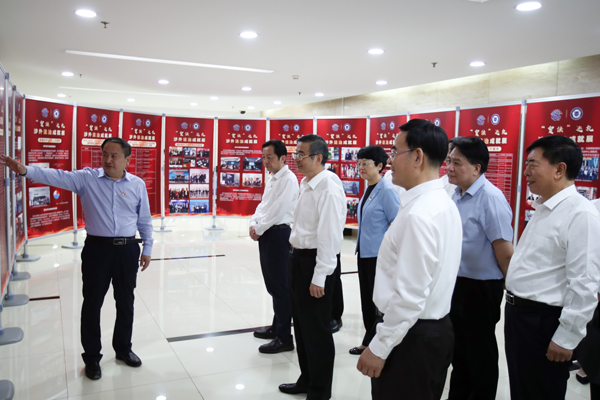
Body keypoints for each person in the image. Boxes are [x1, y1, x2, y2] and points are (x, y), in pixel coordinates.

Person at [0, 137, 154, 381]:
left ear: (127, 159)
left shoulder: (137, 184)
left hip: (127, 250)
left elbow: (144, 219)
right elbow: (56, 176)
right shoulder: (87, 179)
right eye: (105, 154)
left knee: (125, 302)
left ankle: (123, 349)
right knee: (92, 304)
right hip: (97, 251)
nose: (108, 159)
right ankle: (92, 357)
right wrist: (24, 170)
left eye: (114, 155)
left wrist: (147, 248)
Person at [357, 119, 462, 400]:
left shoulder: (419, 214)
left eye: (395, 152)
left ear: (417, 157)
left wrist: (379, 347)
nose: (389, 160)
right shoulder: (440, 202)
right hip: (429, 330)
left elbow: (410, 295)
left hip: (410, 338)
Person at [504, 135, 600, 400]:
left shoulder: (580, 214)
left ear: (559, 169)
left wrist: (567, 337)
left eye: (532, 165)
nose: (526, 172)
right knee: (523, 389)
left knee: (541, 390)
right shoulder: (545, 207)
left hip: (543, 322)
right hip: (521, 317)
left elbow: (585, 282)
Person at [446, 137, 514, 400]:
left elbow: (504, 252)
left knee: (480, 354)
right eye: (449, 161)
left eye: (457, 163)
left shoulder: (491, 198)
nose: (449, 168)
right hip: (458, 284)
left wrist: (509, 287)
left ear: (476, 168)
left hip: (482, 289)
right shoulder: (455, 194)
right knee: (459, 351)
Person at [279, 134, 346, 400]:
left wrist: (320, 276)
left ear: (318, 158)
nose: (296, 159)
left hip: (315, 263)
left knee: (316, 330)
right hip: (298, 259)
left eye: (301, 155)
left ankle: (320, 390)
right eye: (295, 154)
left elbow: (330, 236)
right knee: (302, 326)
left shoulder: (328, 187)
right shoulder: (307, 183)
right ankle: (306, 379)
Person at [350, 145, 400, 356]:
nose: (361, 167)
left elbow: (397, 224)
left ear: (380, 166)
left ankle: (375, 342)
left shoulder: (387, 191)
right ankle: (369, 339)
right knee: (366, 298)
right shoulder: (369, 188)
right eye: (359, 163)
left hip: (378, 256)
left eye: (365, 163)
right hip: (365, 253)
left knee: (377, 300)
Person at [249, 140, 299, 354]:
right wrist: (253, 223)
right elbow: (263, 206)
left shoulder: (288, 180)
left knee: (280, 287)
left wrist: (259, 228)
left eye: (269, 157)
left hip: (278, 234)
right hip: (267, 233)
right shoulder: (272, 178)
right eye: (263, 157)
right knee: (273, 285)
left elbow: (278, 211)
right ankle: (277, 327)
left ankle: (284, 337)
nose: (265, 161)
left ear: (282, 158)